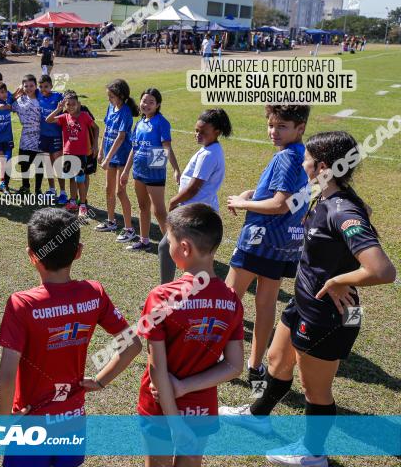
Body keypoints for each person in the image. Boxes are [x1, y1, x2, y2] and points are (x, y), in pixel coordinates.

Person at [223, 133, 395, 467]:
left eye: (307, 160)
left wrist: (338, 279)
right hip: (303, 303)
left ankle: (313, 453)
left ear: (323, 167)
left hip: (327, 316)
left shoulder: (341, 209)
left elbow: (382, 270)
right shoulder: (328, 195)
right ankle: (258, 417)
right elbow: (363, 216)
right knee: (276, 359)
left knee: (316, 390)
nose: (302, 164)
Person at [0, 208, 140, 467]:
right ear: (79, 251)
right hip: (72, 418)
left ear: (31, 255)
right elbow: (132, 345)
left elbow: (5, 377)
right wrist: (100, 381)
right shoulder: (93, 292)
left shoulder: (22, 304)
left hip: (30, 421)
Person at [138, 204, 244, 467]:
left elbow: (157, 369)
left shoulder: (161, 297)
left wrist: (174, 422)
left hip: (160, 407)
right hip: (201, 405)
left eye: (168, 240)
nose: (167, 246)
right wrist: (185, 387)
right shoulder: (231, 299)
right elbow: (234, 366)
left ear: (184, 248)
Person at [225, 105, 310, 391]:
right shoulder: (304, 155)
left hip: (259, 239)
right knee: (265, 305)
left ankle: (218, 358)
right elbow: (281, 195)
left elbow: (278, 204)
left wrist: (241, 202)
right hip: (284, 243)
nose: (274, 131)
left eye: (282, 126)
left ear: (300, 128)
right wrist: (252, 193)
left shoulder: (286, 157)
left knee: (226, 299)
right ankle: (255, 365)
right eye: (271, 125)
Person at [159, 109, 232, 284]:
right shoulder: (211, 149)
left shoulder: (208, 154)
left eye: (203, 132)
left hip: (194, 212)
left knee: (166, 247)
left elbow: (193, 188)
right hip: (201, 209)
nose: (197, 134)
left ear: (217, 132)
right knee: (196, 256)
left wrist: (173, 201)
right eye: (196, 130)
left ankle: (165, 292)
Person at [120, 88, 181, 251]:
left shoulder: (161, 122)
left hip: (155, 170)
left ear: (158, 105)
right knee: (142, 207)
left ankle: (171, 247)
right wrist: (126, 171)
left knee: (159, 211)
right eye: (144, 101)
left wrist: (176, 169)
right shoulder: (139, 123)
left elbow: (166, 147)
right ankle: (144, 240)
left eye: (151, 102)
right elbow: (134, 148)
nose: (146, 104)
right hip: (138, 171)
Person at [95, 79, 138, 236]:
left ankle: (129, 229)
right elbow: (106, 129)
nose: (109, 99)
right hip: (110, 155)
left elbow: (120, 137)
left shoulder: (126, 112)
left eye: (111, 96)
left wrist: (107, 159)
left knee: (120, 192)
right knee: (109, 189)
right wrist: (101, 151)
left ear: (120, 96)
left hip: (121, 156)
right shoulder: (111, 107)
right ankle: (111, 221)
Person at [46, 90, 96, 217]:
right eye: (68, 104)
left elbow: (96, 127)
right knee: (72, 179)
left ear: (78, 104)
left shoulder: (84, 116)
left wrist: (95, 144)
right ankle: (73, 201)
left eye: (73, 104)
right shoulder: (64, 117)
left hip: (81, 154)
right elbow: (48, 119)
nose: (71, 107)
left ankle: (83, 205)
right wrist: (58, 108)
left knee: (80, 179)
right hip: (68, 153)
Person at [36, 75, 67, 203]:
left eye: (46, 86)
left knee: (57, 165)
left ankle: (63, 192)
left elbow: (68, 100)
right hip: (43, 136)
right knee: (47, 164)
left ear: (51, 86)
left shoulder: (58, 97)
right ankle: (52, 189)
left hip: (56, 136)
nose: (44, 89)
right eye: (41, 87)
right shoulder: (38, 95)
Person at [10, 74, 42, 196]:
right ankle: (25, 186)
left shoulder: (41, 99)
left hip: (40, 135)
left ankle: (38, 189)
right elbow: (8, 106)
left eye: (31, 85)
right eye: (26, 86)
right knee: (24, 163)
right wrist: (14, 95)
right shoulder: (19, 100)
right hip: (26, 135)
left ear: (36, 86)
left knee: (39, 164)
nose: (29, 88)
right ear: (22, 87)